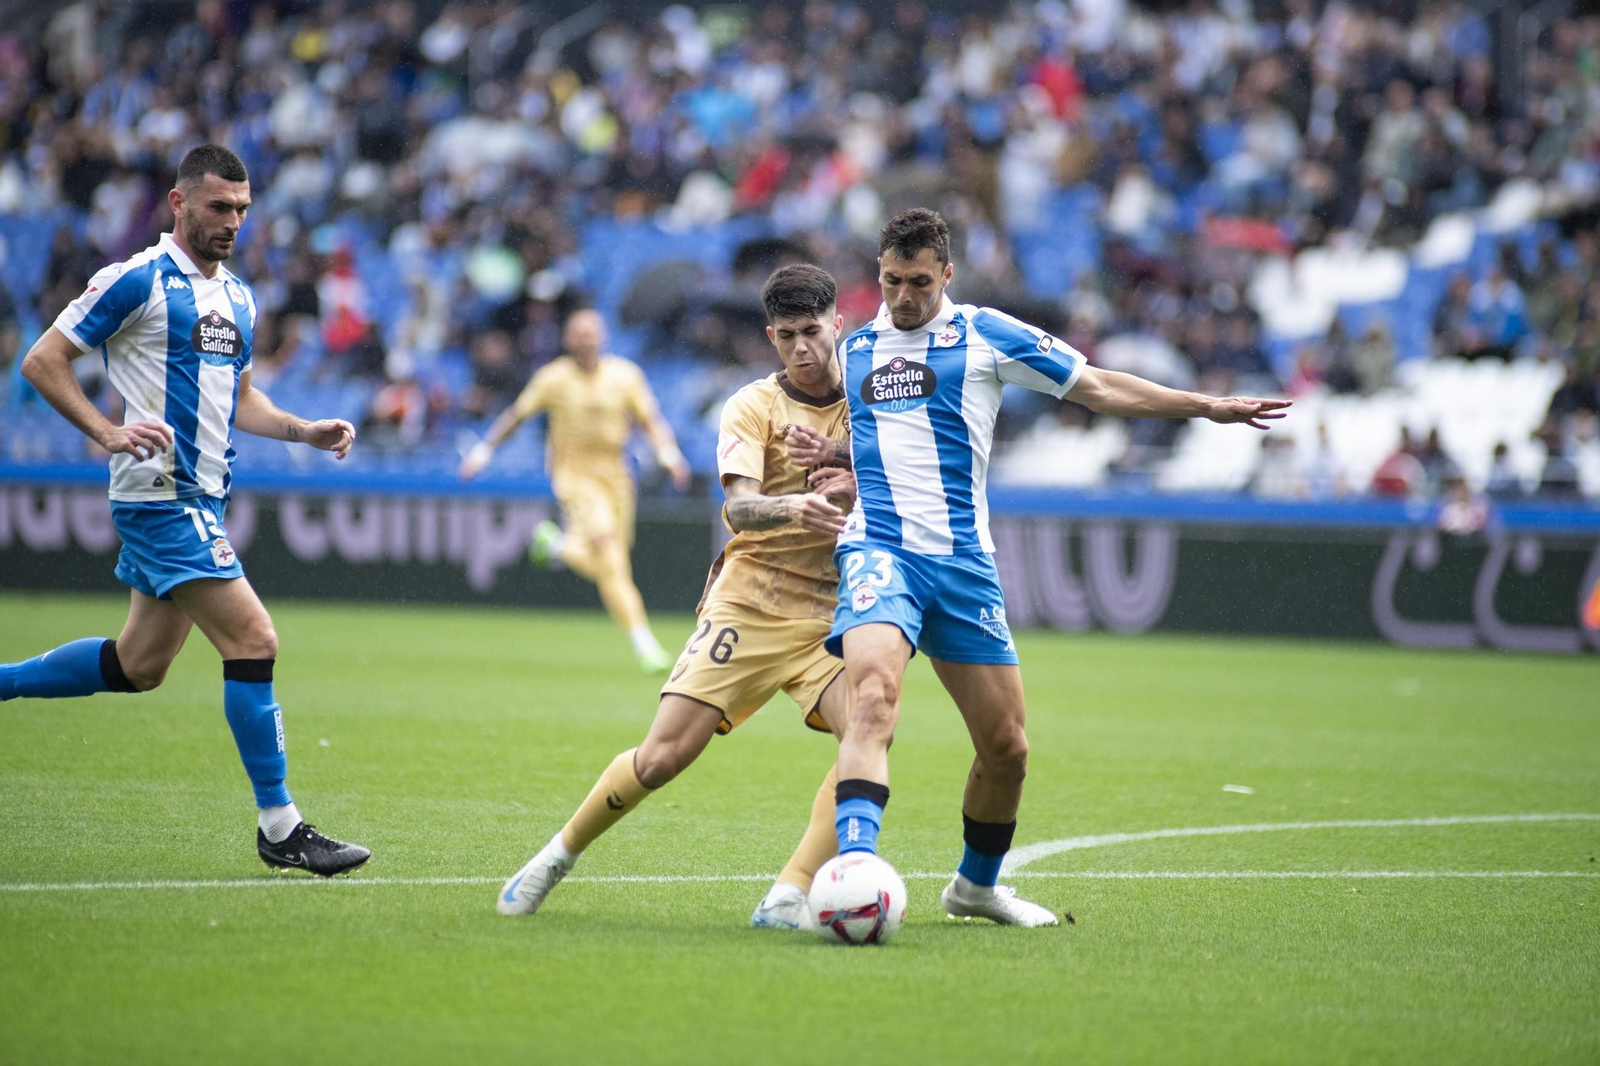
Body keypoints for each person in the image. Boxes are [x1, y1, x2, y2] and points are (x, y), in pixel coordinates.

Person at [828, 209, 1289, 926]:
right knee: (875, 698)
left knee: (1007, 748)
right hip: (879, 551)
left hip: (962, 564)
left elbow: (1097, 386)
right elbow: (846, 438)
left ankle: (974, 888)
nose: (904, 296)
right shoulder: (853, 349)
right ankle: (854, 867)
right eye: (891, 281)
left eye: (919, 282)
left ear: (946, 274)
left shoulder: (985, 334)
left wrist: (1206, 407)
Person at [0, 145, 370, 876]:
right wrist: (106, 432)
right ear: (179, 203)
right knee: (254, 639)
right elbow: (42, 359)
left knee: (141, 665)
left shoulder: (236, 295)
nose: (233, 221)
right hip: (163, 498)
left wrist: (303, 429)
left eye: (242, 209)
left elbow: (239, 396)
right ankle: (280, 825)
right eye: (218, 207)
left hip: (202, 499)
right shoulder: (136, 279)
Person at [497, 264, 858, 929]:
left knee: (869, 730)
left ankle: (789, 892)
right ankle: (557, 854)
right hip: (750, 602)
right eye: (787, 337)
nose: (803, 348)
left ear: (839, 324)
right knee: (664, 756)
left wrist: (853, 477)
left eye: (814, 332)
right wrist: (799, 507)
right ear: (770, 337)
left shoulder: (870, 400)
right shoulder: (753, 406)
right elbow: (740, 511)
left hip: (834, 613)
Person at [460, 309, 692, 672]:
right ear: (567, 339)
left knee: (611, 563)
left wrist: (669, 455)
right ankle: (644, 643)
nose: (585, 339)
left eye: (591, 332)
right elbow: (516, 416)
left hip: (617, 479)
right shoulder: (553, 379)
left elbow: (650, 421)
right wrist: (483, 451)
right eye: (578, 333)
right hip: (575, 479)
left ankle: (555, 545)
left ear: (602, 336)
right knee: (611, 560)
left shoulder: (625, 376)